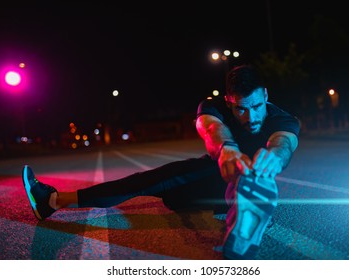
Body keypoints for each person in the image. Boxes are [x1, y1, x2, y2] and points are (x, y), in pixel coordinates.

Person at [22, 64, 300, 259]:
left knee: (148, 180)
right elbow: (211, 129)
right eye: (241, 109)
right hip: (198, 191)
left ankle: (53, 201)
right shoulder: (212, 107)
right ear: (228, 101)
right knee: (177, 189)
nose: (250, 117)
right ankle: (237, 210)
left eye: (256, 107)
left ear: (265, 95)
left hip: (235, 181)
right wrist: (227, 148)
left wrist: (274, 159)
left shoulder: (283, 119)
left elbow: (283, 144)